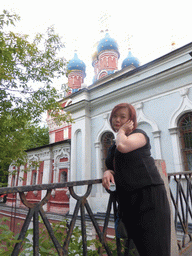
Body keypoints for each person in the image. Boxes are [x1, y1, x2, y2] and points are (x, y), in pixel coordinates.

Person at [102, 103, 171, 256]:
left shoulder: (139, 134)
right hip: (128, 200)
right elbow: (116, 163)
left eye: (122, 117)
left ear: (131, 120)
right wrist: (108, 171)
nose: (117, 120)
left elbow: (124, 146)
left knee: (156, 247)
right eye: (115, 116)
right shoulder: (113, 146)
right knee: (141, 248)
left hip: (149, 196)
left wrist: (122, 131)